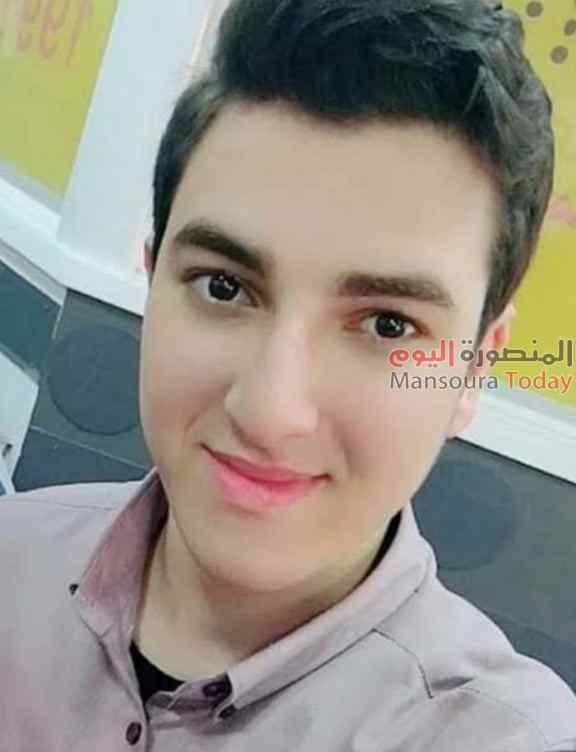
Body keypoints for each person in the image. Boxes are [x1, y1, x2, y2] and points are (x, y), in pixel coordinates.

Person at [1, 0, 575, 749]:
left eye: (387, 324)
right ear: (153, 280)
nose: (270, 411)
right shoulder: (13, 559)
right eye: (224, 287)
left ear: (472, 368)